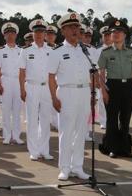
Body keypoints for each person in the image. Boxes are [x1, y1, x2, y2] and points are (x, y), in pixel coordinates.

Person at [48, 12, 93, 181]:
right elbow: (51, 76)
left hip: (84, 92)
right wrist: (54, 97)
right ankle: (65, 168)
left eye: (77, 27)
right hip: (66, 92)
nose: (75, 30)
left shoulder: (86, 50)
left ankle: (78, 166)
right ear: (63, 31)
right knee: (66, 132)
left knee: (81, 131)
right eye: (71, 27)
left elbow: (93, 72)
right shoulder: (57, 51)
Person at [98, 19, 132, 158]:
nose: (116, 34)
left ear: (125, 35)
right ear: (110, 35)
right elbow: (101, 73)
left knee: (125, 118)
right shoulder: (106, 52)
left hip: (128, 86)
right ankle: (112, 148)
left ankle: (125, 148)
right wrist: (103, 91)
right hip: (112, 87)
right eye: (113, 32)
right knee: (112, 119)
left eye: (119, 32)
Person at [18, 19, 53, 160]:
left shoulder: (51, 50)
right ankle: (33, 150)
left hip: (46, 88)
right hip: (31, 86)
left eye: (41, 32)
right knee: (32, 120)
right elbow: (21, 72)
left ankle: (44, 150)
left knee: (45, 120)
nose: (38, 34)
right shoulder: (25, 50)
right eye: (36, 32)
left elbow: (53, 72)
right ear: (32, 34)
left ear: (45, 34)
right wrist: (22, 89)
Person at [0, 22, 24, 145]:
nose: (10, 35)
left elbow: (24, 70)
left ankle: (16, 136)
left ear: (16, 35)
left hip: (18, 81)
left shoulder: (22, 51)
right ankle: (6, 136)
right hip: (5, 80)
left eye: (12, 33)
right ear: (4, 36)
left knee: (17, 110)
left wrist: (23, 86)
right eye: (7, 33)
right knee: (5, 110)